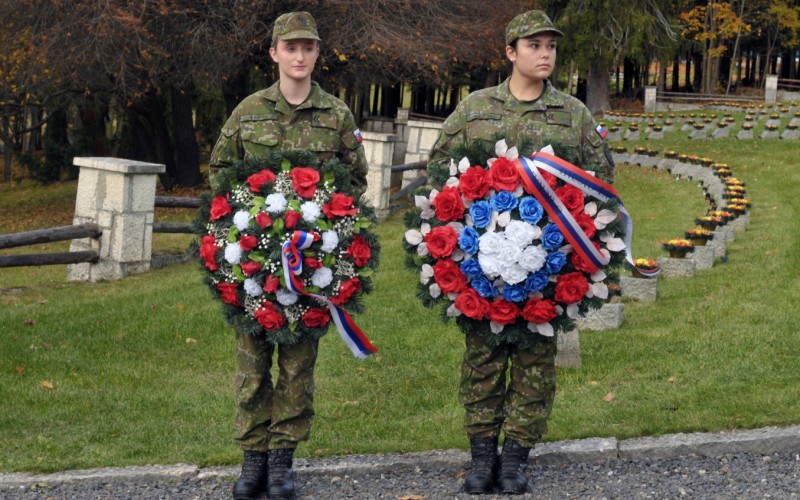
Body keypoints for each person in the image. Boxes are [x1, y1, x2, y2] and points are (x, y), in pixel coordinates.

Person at [428, 10, 615, 496]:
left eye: (550, 46)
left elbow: (600, 183)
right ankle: (481, 457)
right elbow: (439, 170)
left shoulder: (573, 115)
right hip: (481, 265)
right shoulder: (475, 110)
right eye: (534, 45)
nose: (545, 54)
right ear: (510, 52)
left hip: (546, 268)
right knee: (483, 359)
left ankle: (515, 458)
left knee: (535, 363)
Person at [208, 11, 368, 500]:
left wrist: (326, 232)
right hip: (252, 264)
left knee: (298, 364)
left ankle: (281, 462)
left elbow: (356, 179)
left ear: (318, 53)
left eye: (308, 47)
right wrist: (243, 227)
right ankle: (252, 459)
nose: (299, 56)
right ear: (274, 53)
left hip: (310, 267)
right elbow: (220, 171)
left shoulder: (336, 115)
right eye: (291, 47)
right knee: (252, 362)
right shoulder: (249, 112)